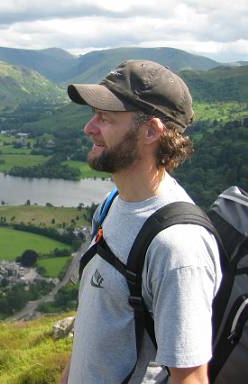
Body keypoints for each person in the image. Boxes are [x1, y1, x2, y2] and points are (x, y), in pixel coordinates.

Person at [60, 60, 222, 383]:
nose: (89, 128)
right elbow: (96, 331)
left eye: (105, 118)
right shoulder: (112, 205)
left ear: (151, 131)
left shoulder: (178, 248)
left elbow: (190, 378)